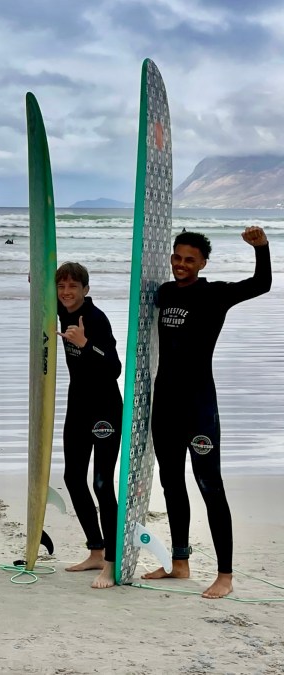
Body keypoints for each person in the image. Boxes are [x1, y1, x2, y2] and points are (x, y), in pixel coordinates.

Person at [143, 227, 271, 599]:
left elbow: (261, 284)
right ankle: (179, 562)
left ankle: (225, 575)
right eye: (177, 257)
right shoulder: (165, 293)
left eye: (189, 260)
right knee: (170, 482)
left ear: (202, 264)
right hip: (165, 404)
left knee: (210, 486)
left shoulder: (214, 295)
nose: (181, 264)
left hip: (199, 406)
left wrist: (261, 248)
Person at [54, 262, 122, 589]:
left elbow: (114, 367)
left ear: (85, 289)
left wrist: (84, 344)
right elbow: (40, 288)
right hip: (78, 406)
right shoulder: (62, 307)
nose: (66, 292)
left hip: (105, 409)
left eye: (73, 287)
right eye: (61, 286)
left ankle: (111, 563)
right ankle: (96, 549)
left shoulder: (95, 318)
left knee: (101, 483)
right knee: (72, 477)